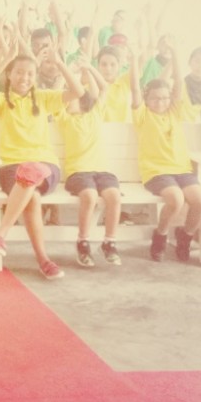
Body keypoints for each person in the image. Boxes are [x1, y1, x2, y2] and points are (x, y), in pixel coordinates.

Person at [0, 44, 86, 280]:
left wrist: (59, 63)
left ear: (35, 76)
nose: (24, 77)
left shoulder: (45, 99)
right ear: (10, 74)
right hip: (12, 169)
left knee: (33, 169)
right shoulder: (2, 100)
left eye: (30, 73)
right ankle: (44, 260)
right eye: (19, 72)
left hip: (45, 167)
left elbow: (77, 92)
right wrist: (6, 58)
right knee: (33, 197)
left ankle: (1, 232)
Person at [129, 44, 201, 262]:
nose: (161, 102)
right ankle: (161, 235)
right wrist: (135, 59)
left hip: (182, 170)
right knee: (176, 199)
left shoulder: (174, 111)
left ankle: (185, 237)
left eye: (164, 97)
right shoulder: (143, 115)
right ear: (147, 99)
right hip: (156, 172)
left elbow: (179, 84)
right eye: (155, 98)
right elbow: (135, 89)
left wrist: (175, 53)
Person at [55, 61, 122, 267]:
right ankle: (83, 241)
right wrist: (68, 73)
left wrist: (88, 68)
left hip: (102, 171)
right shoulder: (64, 119)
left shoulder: (95, 114)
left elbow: (105, 88)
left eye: (74, 99)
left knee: (114, 196)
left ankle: (109, 242)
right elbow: (56, 95)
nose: (70, 101)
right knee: (90, 196)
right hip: (79, 173)